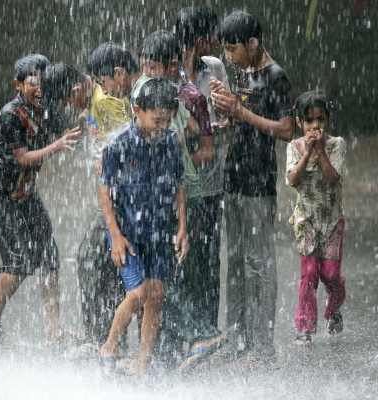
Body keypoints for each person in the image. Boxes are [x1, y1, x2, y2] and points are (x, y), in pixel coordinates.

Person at [0, 54, 82, 349]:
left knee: (49, 256)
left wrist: (83, 124)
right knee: (19, 262)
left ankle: (54, 331)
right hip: (3, 195)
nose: (40, 87)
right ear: (18, 84)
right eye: (33, 82)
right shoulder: (10, 115)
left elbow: (65, 136)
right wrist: (59, 144)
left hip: (27, 193)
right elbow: (22, 158)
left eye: (43, 81)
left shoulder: (45, 108)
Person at [208, 10, 295, 365]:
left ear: (253, 43)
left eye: (233, 50)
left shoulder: (277, 77)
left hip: (259, 183)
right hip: (234, 177)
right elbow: (244, 118)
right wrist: (225, 117)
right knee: (237, 260)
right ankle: (236, 340)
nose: (229, 58)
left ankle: (263, 348)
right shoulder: (244, 72)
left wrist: (240, 112)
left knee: (260, 264)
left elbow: (287, 130)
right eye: (225, 51)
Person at [135, 30, 225, 371]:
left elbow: (206, 149)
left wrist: (178, 158)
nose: (147, 72)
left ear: (172, 65)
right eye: (143, 64)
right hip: (156, 196)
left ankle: (201, 335)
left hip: (186, 194)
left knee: (174, 275)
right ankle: (166, 356)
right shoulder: (144, 89)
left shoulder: (190, 98)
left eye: (153, 66)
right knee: (160, 278)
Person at [98, 78, 187, 377]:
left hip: (159, 234)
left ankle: (141, 368)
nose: (162, 125)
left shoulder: (171, 141)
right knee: (137, 294)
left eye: (167, 120)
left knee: (157, 296)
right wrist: (115, 237)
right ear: (137, 110)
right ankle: (108, 348)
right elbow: (104, 190)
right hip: (129, 236)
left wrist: (182, 227)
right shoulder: (117, 145)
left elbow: (179, 186)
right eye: (157, 119)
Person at [59, 45, 137, 357]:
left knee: (91, 258)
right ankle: (110, 340)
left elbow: (130, 133)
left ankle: (100, 338)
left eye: (67, 100)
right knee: (106, 264)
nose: (67, 106)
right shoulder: (96, 102)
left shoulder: (105, 100)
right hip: (115, 191)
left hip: (121, 193)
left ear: (78, 88)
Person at [176, 5, 230, 330]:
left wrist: (221, 122)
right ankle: (186, 333)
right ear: (200, 40)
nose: (217, 42)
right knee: (182, 260)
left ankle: (209, 330)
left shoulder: (215, 69)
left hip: (210, 186)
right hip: (178, 188)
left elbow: (224, 117)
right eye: (212, 37)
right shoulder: (168, 73)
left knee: (209, 261)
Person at [286, 91, 347, 346]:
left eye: (320, 120)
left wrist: (320, 151)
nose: (315, 127)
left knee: (330, 274)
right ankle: (305, 328)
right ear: (300, 123)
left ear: (328, 120)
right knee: (309, 273)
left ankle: (333, 311)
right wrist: (307, 153)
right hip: (307, 222)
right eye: (309, 121)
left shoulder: (337, 145)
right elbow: (292, 180)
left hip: (331, 222)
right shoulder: (294, 147)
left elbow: (334, 179)